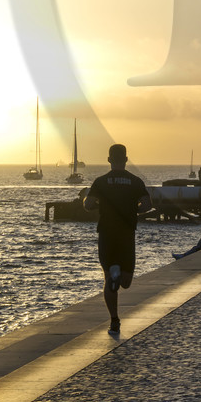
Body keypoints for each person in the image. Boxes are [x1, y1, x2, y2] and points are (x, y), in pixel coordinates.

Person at [83, 143, 152, 338]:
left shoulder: (100, 182)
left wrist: (95, 203)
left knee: (108, 279)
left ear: (109, 160)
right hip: (126, 234)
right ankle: (118, 275)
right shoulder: (135, 181)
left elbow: (88, 204)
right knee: (127, 282)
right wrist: (133, 210)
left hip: (106, 234)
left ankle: (114, 321)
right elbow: (147, 204)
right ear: (126, 159)